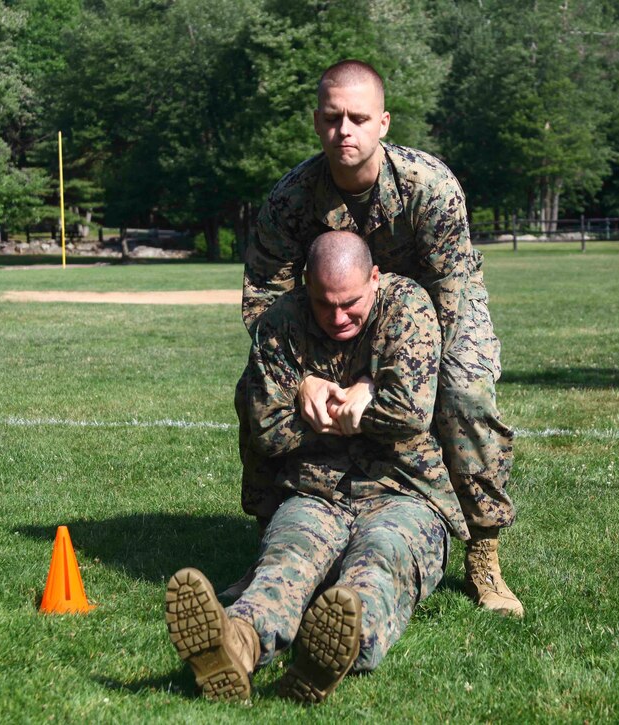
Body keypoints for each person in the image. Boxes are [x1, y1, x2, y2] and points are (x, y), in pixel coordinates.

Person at [236, 59, 522, 617]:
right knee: (255, 390)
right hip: (335, 317)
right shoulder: (290, 199)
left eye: (359, 118)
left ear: (383, 124)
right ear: (317, 123)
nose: (345, 130)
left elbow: (450, 291)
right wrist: (303, 379)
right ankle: (271, 529)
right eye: (332, 118)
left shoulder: (428, 187)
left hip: (437, 312)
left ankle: (483, 544)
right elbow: (265, 298)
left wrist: (385, 374)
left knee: (465, 394)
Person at [166, 231, 467, 704]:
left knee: (381, 561)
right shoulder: (282, 321)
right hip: (314, 492)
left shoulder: (408, 307)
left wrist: (337, 406)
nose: (337, 317)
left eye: (350, 303)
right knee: (286, 560)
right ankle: (236, 644)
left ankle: (331, 650)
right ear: (306, 284)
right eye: (324, 303)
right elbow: (267, 429)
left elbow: (409, 415)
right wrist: (352, 407)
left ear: (374, 277)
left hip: (404, 493)